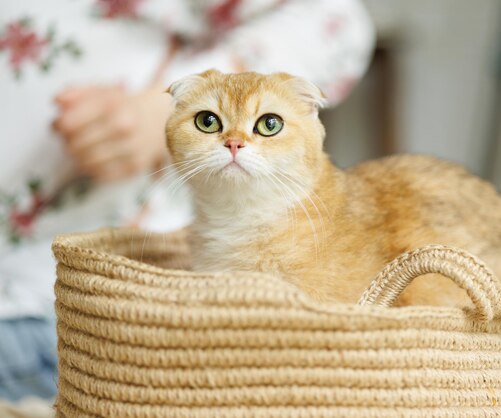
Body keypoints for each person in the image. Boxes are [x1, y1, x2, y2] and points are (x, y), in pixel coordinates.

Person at [0, 0, 374, 401]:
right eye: (209, 122)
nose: (235, 141)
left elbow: (336, 17)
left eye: (267, 124)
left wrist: (159, 110)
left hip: (71, 306)